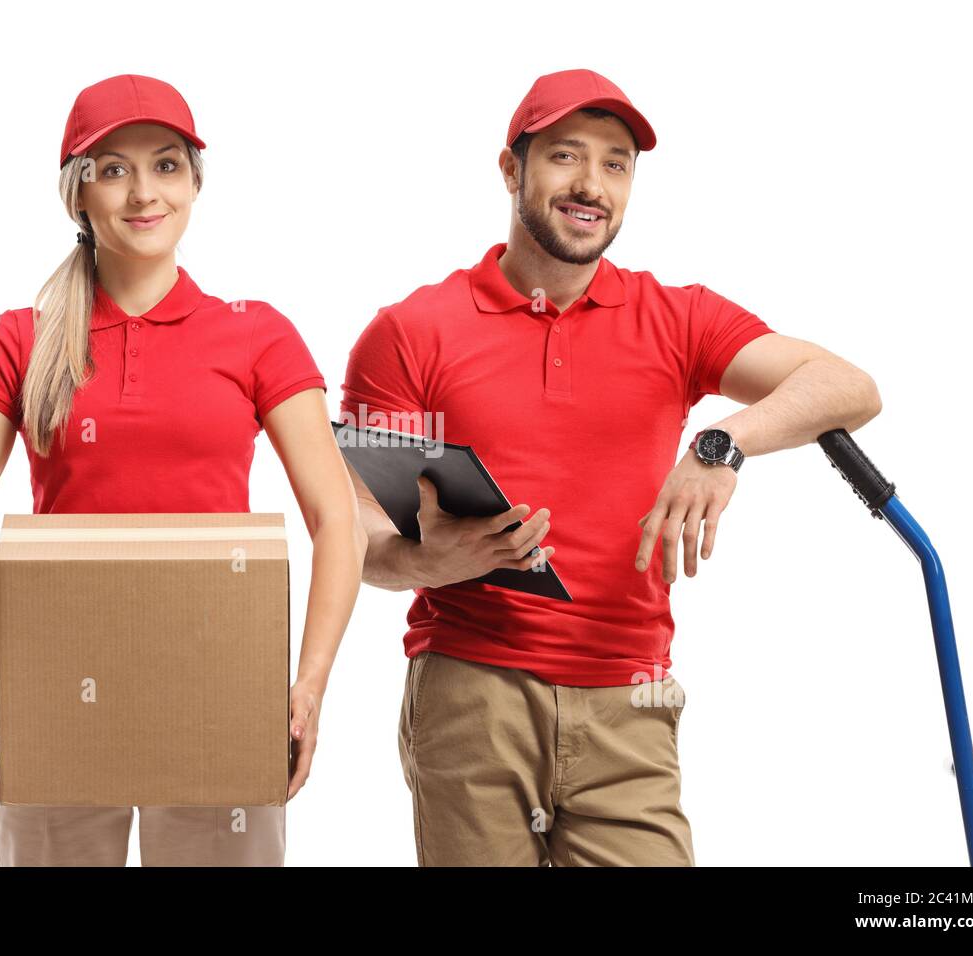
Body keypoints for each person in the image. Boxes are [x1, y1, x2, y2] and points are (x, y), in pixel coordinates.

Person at [340, 68, 883, 866]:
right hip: (473, 690)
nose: (590, 184)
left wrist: (719, 444)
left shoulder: (678, 317)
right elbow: (356, 533)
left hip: (633, 694)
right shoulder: (411, 332)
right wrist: (428, 559)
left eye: (617, 162)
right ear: (510, 170)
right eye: (565, 156)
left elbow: (850, 387)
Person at [0, 74, 366, 866]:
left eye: (165, 165)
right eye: (113, 169)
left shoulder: (256, 335)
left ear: (195, 182)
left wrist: (308, 684)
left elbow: (338, 523)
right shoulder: (14, 342)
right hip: (57, 689)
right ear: (77, 195)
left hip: (219, 682)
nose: (142, 192)